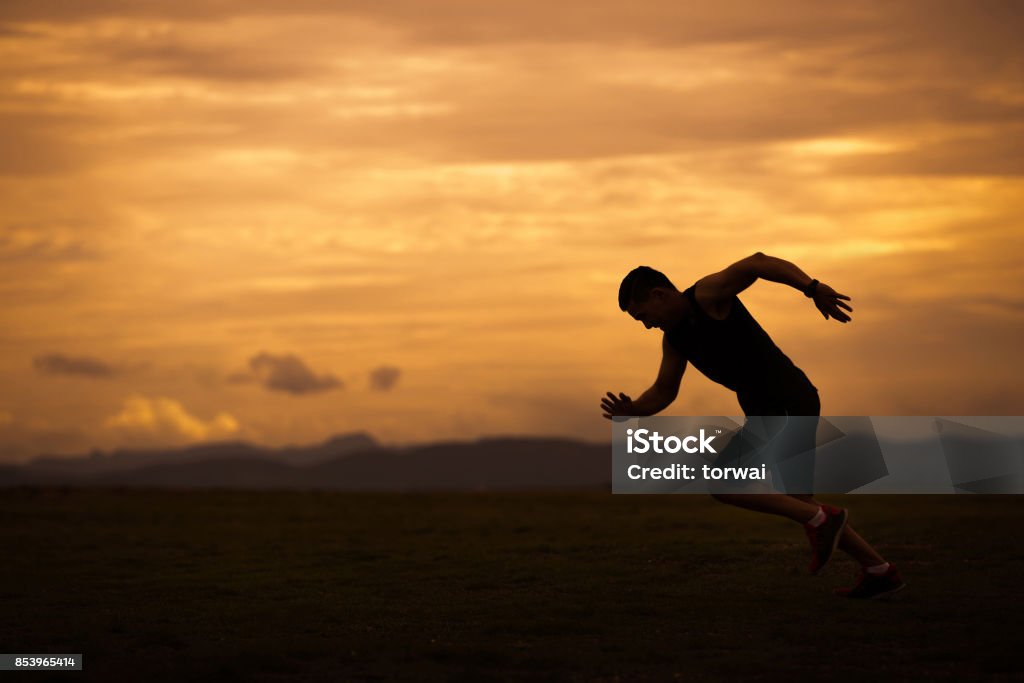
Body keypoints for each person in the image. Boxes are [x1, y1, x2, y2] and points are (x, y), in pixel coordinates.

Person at [602, 253, 906, 599]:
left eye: (643, 316)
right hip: (777, 405)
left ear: (659, 294)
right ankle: (879, 570)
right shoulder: (675, 340)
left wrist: (812, 287)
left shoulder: (707, 295)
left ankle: (827, 522)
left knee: (725, 483)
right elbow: (664, 390)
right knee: (803, 503)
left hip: (784, 399)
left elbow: (757, 263)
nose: (646, 325)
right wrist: (633, 408)